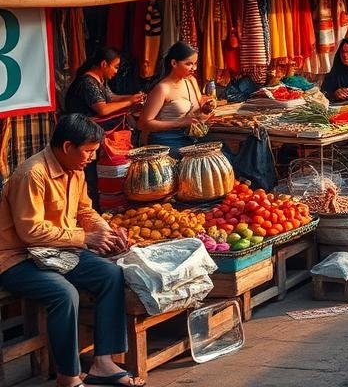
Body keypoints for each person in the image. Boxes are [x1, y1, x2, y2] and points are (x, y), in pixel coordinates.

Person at [0, 114, 141, 387]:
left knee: (111, 274)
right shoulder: (32, 174)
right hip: (18, 258)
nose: (91, 157)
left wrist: (106, 232)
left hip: (57, 251)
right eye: (88, 151)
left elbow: (85, 211)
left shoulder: (75, 170)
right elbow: (31, 233)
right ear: (67, 147)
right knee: (64, 293)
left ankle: (103, 363)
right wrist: (85, 238)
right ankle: (68, 376)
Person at [139, 41, 212, 157]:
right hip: (166, 142)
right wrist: (178, 123)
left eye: (195, 63)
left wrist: (206, 108)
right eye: (189, 64)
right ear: (174, 63)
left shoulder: (191, 81)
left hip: (189, 138)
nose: (194, 68)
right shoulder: (162, 88)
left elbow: (199, 109)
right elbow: (143, 124)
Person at [64, 48, 145, 119]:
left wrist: (133, 98)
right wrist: (129, 102)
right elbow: (103, 109)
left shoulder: (101, 80)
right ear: (104, 64)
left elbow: (110, 97)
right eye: (115, 67)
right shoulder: (87, 82)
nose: (116, 71)